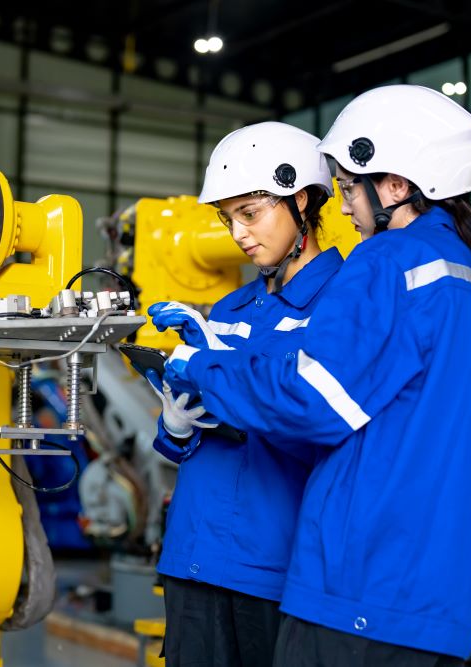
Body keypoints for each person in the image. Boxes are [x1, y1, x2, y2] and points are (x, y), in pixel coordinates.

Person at [162, 85, 471, 666]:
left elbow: (312, 403)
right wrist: (180, 422)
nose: (343, 207)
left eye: (347, 187)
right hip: (435, 602)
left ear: (396, 186)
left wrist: (202, 367)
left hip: (359, 586)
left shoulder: (387, 263)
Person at [145, 122, 341, 667]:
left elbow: (320, 422)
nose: (238, 233)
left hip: (277, 565)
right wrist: (177, 424)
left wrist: (222, 376)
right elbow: (190, 440)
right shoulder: (230, 308)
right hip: (193, 554)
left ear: (301, 201)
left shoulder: (342, 305)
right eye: (228, 218)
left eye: (250, 213)